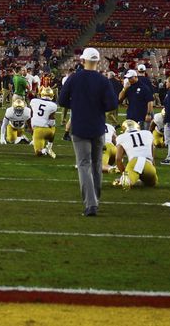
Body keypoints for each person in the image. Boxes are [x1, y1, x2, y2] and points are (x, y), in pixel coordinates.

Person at [57, 46, 119, 217]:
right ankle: (95, 198)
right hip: (98, 127)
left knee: (84, 165)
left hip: (79, 127)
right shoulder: (103, 80)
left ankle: (90, 204)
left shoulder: (73, 78)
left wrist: (77, 104)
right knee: (97, 164)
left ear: (82, 60)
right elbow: (113, 105)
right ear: (97, 62)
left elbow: (62, 100)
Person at [113, 119, 158, 188]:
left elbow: (118, 159)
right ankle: (135, 180)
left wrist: (124, 174)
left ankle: (124, 180)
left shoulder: (121, 137)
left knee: (125, 183)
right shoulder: (148, 133)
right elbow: (152, 153)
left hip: (134, 162)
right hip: (148, 165)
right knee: (152, 184)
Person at [28, 85, 59, 158]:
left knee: (38, 153)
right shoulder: (53, 105)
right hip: (47, 131)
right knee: (53, 127)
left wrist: (31, 126)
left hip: (37, 130)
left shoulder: (34, 101)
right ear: (52, 96)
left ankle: (44, 150)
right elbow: (52, 119)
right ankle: (49, 147)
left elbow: (31, 114)